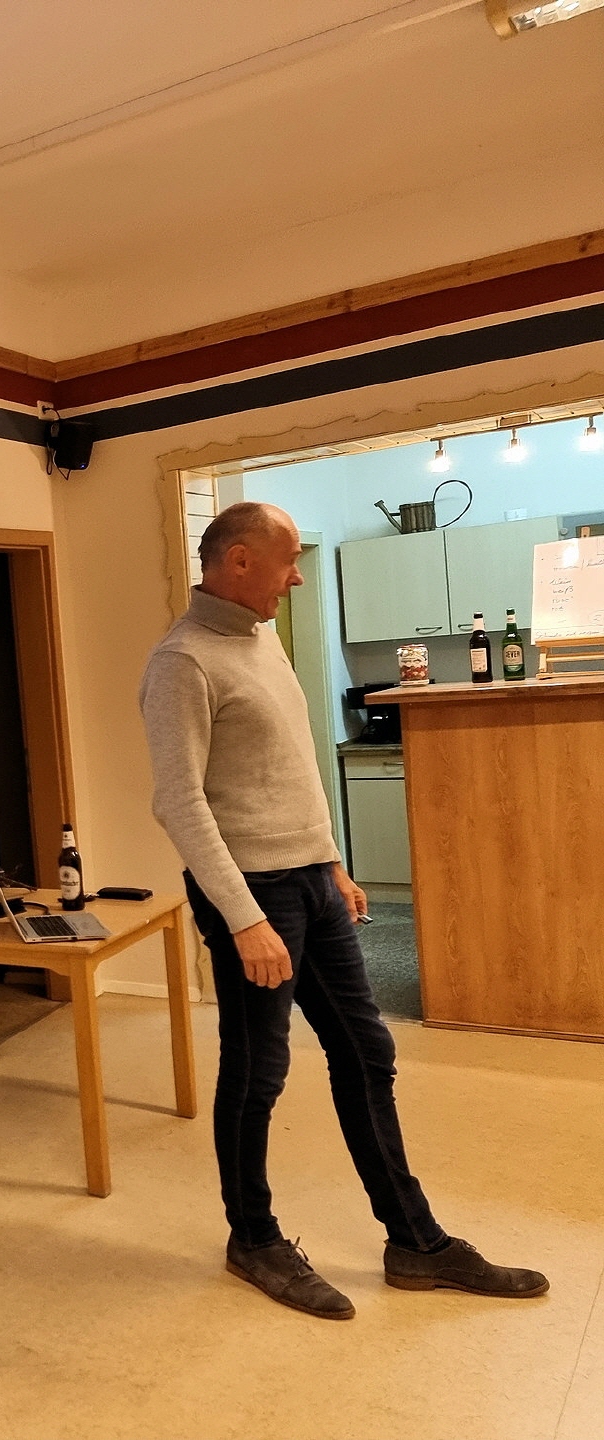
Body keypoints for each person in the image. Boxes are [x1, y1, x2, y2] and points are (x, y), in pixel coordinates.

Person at [138, 501, 547, 1321]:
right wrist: (244, 918)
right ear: (240, 560)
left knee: (366, 1050)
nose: (297, 577)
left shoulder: (262, 640)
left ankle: (416, 1243)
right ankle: (252, 1239)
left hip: (310, 886)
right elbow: (179, 802)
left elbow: (291, 766)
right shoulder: (183, 661)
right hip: (253, 895)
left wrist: (330, 861)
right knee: (258, 1070)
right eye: (288, 559)